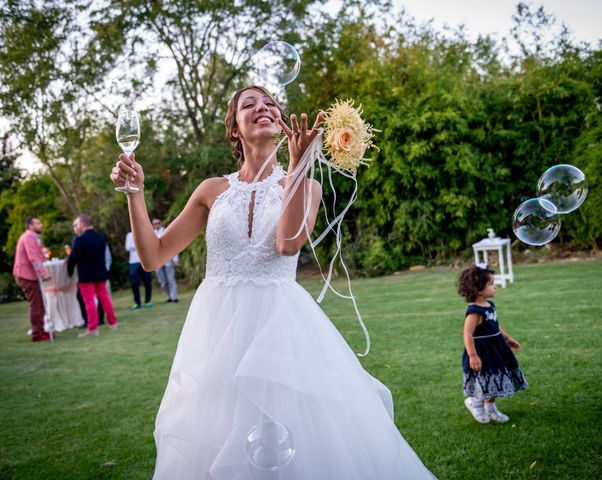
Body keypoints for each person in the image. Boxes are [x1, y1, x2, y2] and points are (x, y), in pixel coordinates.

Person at [110, 86, 436, 479]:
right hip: (216, 330)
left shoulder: (306, 186)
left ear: (282, 124)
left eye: (270, 104)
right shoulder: (211, 190)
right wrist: (135, 193)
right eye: (249, 105)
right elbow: (153, 256)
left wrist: (298, 168)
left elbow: (287, 244)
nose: (262, 108)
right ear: (235, 129)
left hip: (281, 328)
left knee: (290, 438)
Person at [457, 264, 528, 423]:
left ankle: (490, 408)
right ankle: (475, 403)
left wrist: (508, 338)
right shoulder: (475, 311)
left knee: (496, 378)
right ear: (478, 289)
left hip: (496, 349)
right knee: (484, 380)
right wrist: (473, 355)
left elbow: (495, 325)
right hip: (483, 351)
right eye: (491, 284)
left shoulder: (490, 306)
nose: (495, 286)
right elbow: (467, 333)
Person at [67, 214, 118, 337]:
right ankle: (113, 323)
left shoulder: (80, 240)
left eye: (77, 224)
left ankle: (93, 329)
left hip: (86, 275)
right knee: (105, 298)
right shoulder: (101, 237)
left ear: (83, 224)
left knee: (89, 302)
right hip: (100, 273)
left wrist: (69, 271)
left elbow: (73, 258)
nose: (76, 227)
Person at [12, 216, 52, 343]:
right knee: (36, 304)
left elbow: (38, 255)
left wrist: (46, 260)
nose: (41, 225)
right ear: (30, 226)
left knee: (39, 303)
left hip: (28, 274)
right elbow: (33, 257)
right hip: (26, 275)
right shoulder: (29, 236)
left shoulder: (33, 236)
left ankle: (40, 331)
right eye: (38, 223)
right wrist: (43, 273)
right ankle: (37, 334)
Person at [152, 218, 179, 303]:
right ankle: (168, 296)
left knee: (171, 279)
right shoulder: (151, 234)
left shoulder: (167, 231)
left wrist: (175, 258)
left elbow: (173, 245)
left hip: (168, 258)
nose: (156, 225)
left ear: (161, 223)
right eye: (154, 223)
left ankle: (174, 297)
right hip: (157, 260)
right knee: (162, 281)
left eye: (158, 223)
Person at [125, 231, 152, 309]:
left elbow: (148, 245)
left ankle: (148, 301)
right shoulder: (129, 235)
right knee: (134, 283)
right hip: (133, 262)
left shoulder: (144, 233)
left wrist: (137, 246)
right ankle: (137, 303)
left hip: (145, 261)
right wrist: (138, 244)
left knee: (147, 281)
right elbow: (127, 247)